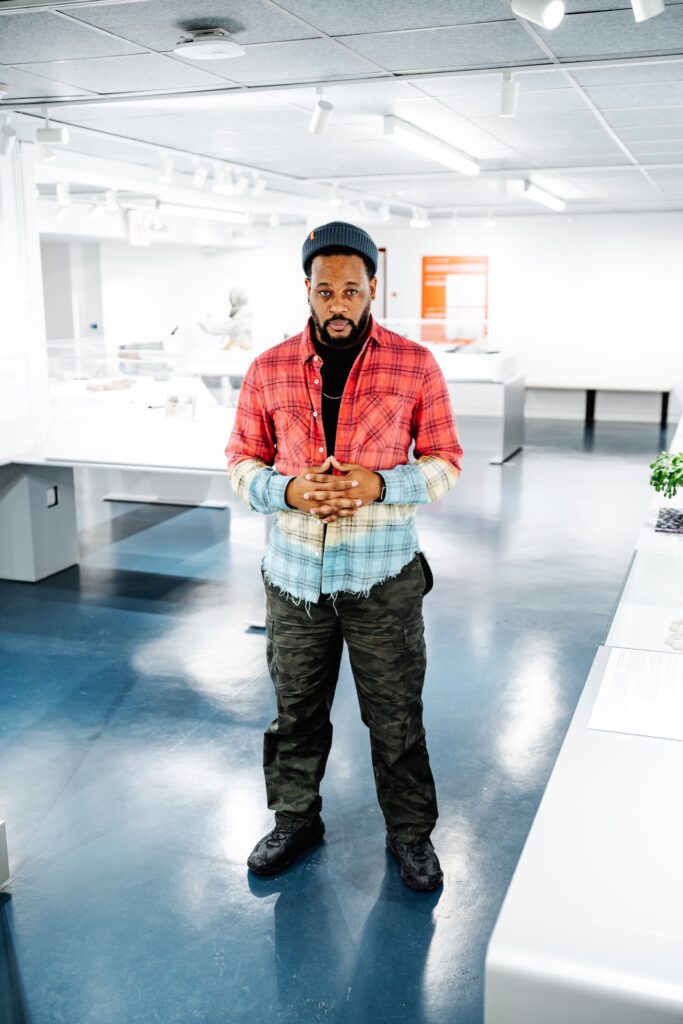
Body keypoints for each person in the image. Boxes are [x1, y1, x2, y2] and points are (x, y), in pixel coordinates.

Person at [226, 221, 463, 892]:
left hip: (382, 578)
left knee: (395, 717)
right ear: (307, 288)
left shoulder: (413, 364)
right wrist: (286, 490)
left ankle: (410, 834)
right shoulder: (268, 367)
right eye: (324, 290)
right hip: (295, 579)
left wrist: (382, 484)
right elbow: (240, 459)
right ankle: (295, 818)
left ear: (371, 291)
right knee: (295, 712)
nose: (337, 303)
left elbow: (445, 461)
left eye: (350, 291)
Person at [199, 285, 253, 350]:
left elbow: (223, 328)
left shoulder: (243, 315)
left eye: (231, 298)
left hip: (241, 350)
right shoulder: (242, 314)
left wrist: (205, 322)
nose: (230, 300)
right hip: (238, 349)